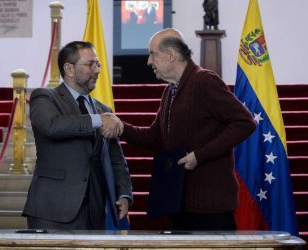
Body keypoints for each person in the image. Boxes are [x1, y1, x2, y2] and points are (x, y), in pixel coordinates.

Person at [103, 28, 256, 230]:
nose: (149, 61)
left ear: (171, 55)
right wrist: (122, 128)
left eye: (153, 54)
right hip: (179, 202)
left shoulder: (205, 81)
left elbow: (245, 122)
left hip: (209, 207)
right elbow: (155, 138)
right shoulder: (170, 91)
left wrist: (200, 155)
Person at [22, 41, 133, 230]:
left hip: (94, 213)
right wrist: (99, 120)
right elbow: (52, 126)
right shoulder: (45, 97)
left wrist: (124, 194)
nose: (97, 70)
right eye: (90, 64)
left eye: (98, 64)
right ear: (69, 69)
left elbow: (116, 160)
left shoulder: (103, 110)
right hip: (52, 210)